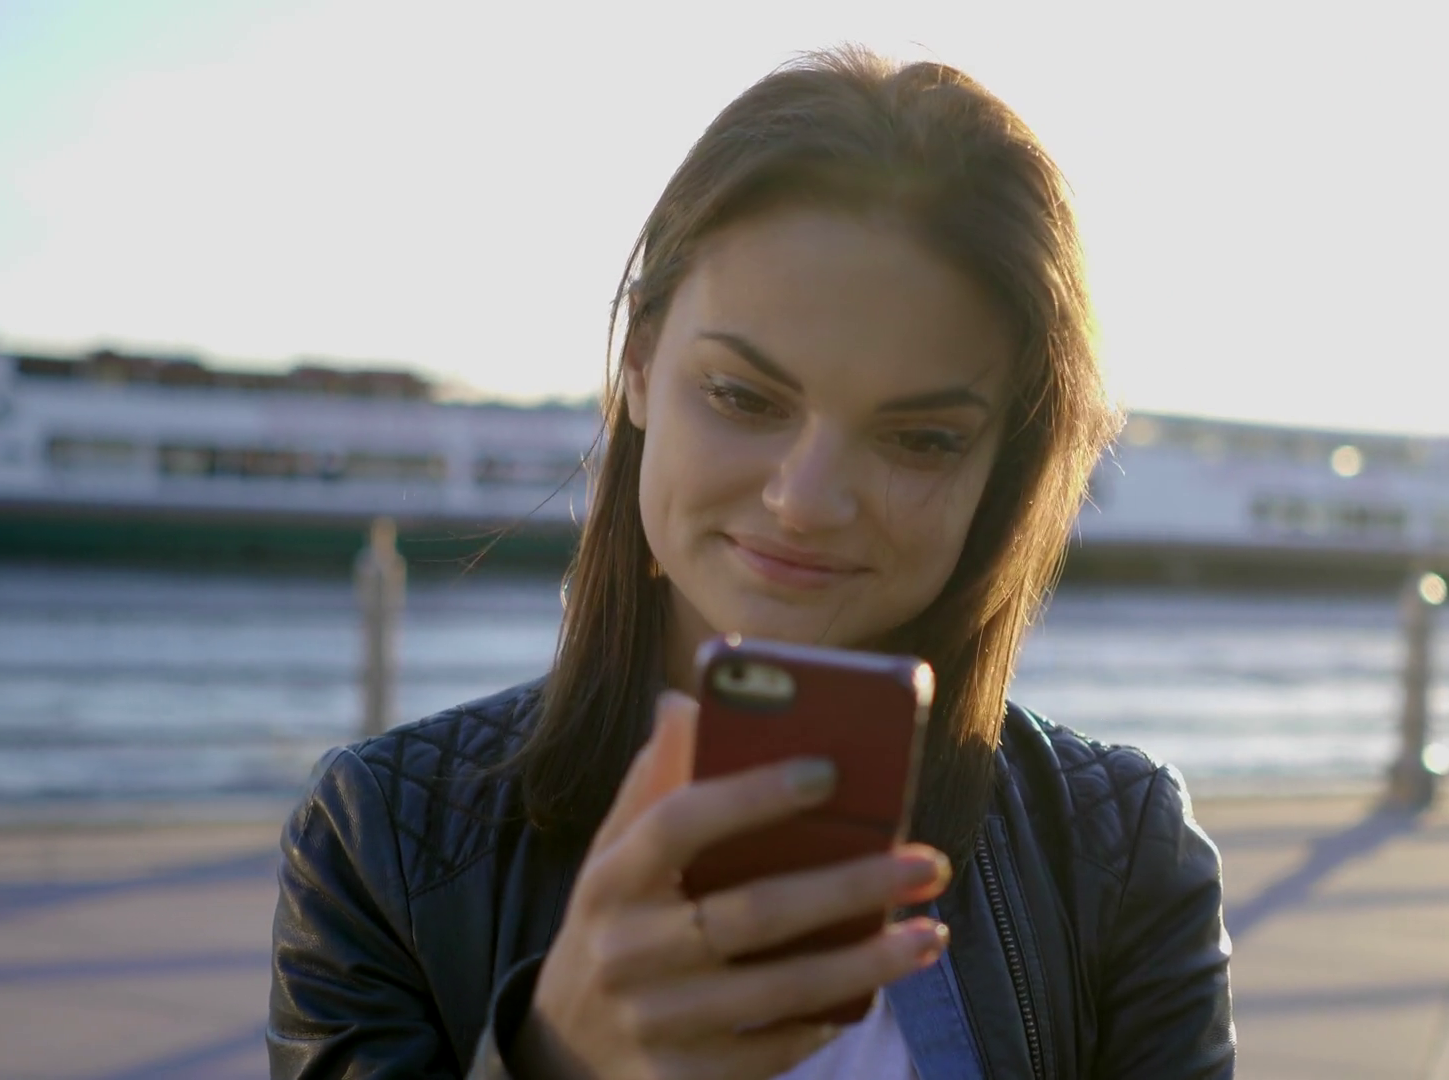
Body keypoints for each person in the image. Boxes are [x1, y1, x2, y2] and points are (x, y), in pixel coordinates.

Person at [269, 45, 1234, 1079]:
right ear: (640, 361)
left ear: (1002, 466)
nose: (806, 501)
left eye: (921, 438)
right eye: (743, 396)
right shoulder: (382, 843)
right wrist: (555, 1058)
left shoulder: (1123, 854)